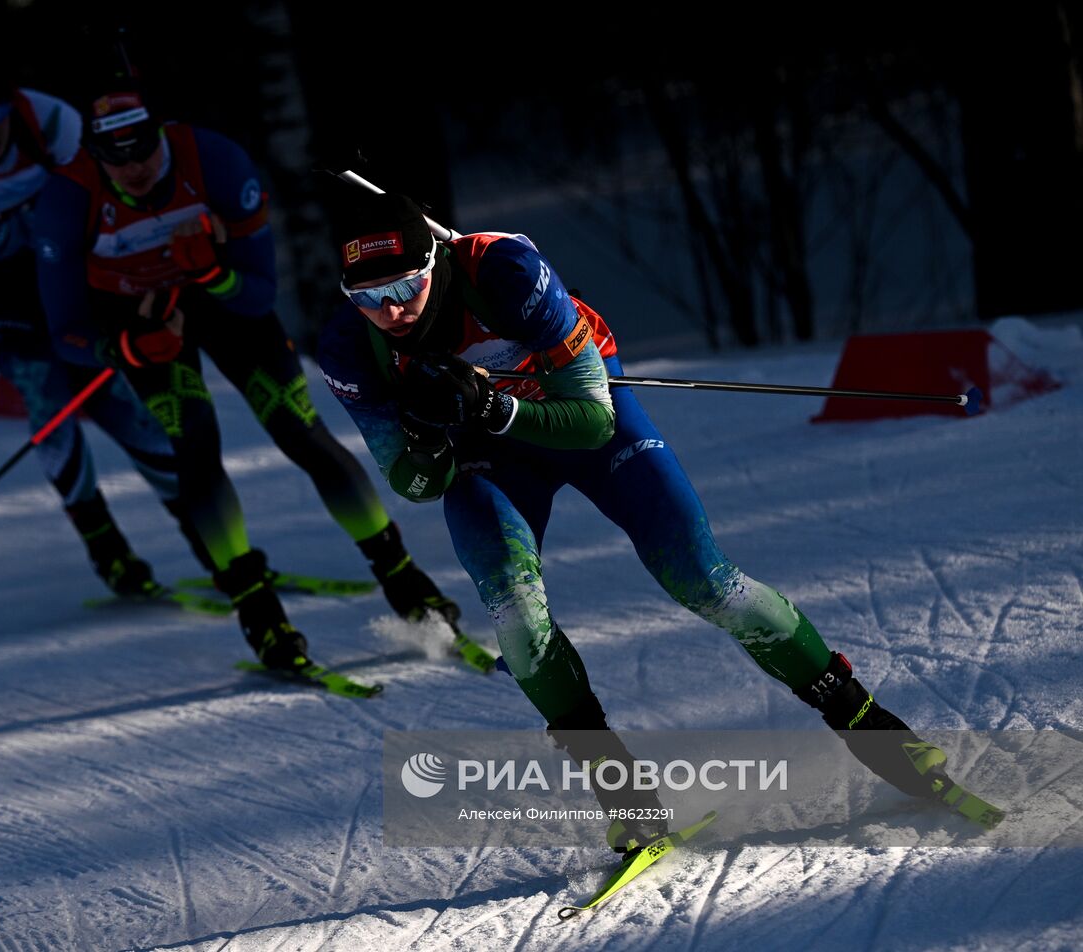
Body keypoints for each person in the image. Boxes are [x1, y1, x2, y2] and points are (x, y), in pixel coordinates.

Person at [318, 190, 978, 853]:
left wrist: (496, 409)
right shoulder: (350, 345)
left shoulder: (505, 272)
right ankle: (626, 799)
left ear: (436, 260)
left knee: (702, 579)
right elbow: (411, 483)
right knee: (515, 618)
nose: (391, 310)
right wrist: (429, 438)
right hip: (490, 456)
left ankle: (868, 723)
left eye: (405, 286)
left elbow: (594, 421)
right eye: (368, 297)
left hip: (582, 415)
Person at [30, 69, 459, 671]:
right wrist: (127, 346)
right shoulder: (66, 198)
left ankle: (402, 577)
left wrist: (209, 274)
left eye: (143, 149)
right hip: (143, 325)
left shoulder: (214, 161)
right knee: (194, 446)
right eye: (112, 157)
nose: (133, 169)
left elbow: (256, 295)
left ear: (162, 134)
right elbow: (66, 333)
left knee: (299, 429)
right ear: (92, 154)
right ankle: (257, 610)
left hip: (227, 308)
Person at [0, 37, 201, 597]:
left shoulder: (48, 118)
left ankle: (207, 538)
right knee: (45, 383)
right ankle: (108, 550)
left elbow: (105, 198)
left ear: (11, 101)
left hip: (55, 280)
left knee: (113, 398)